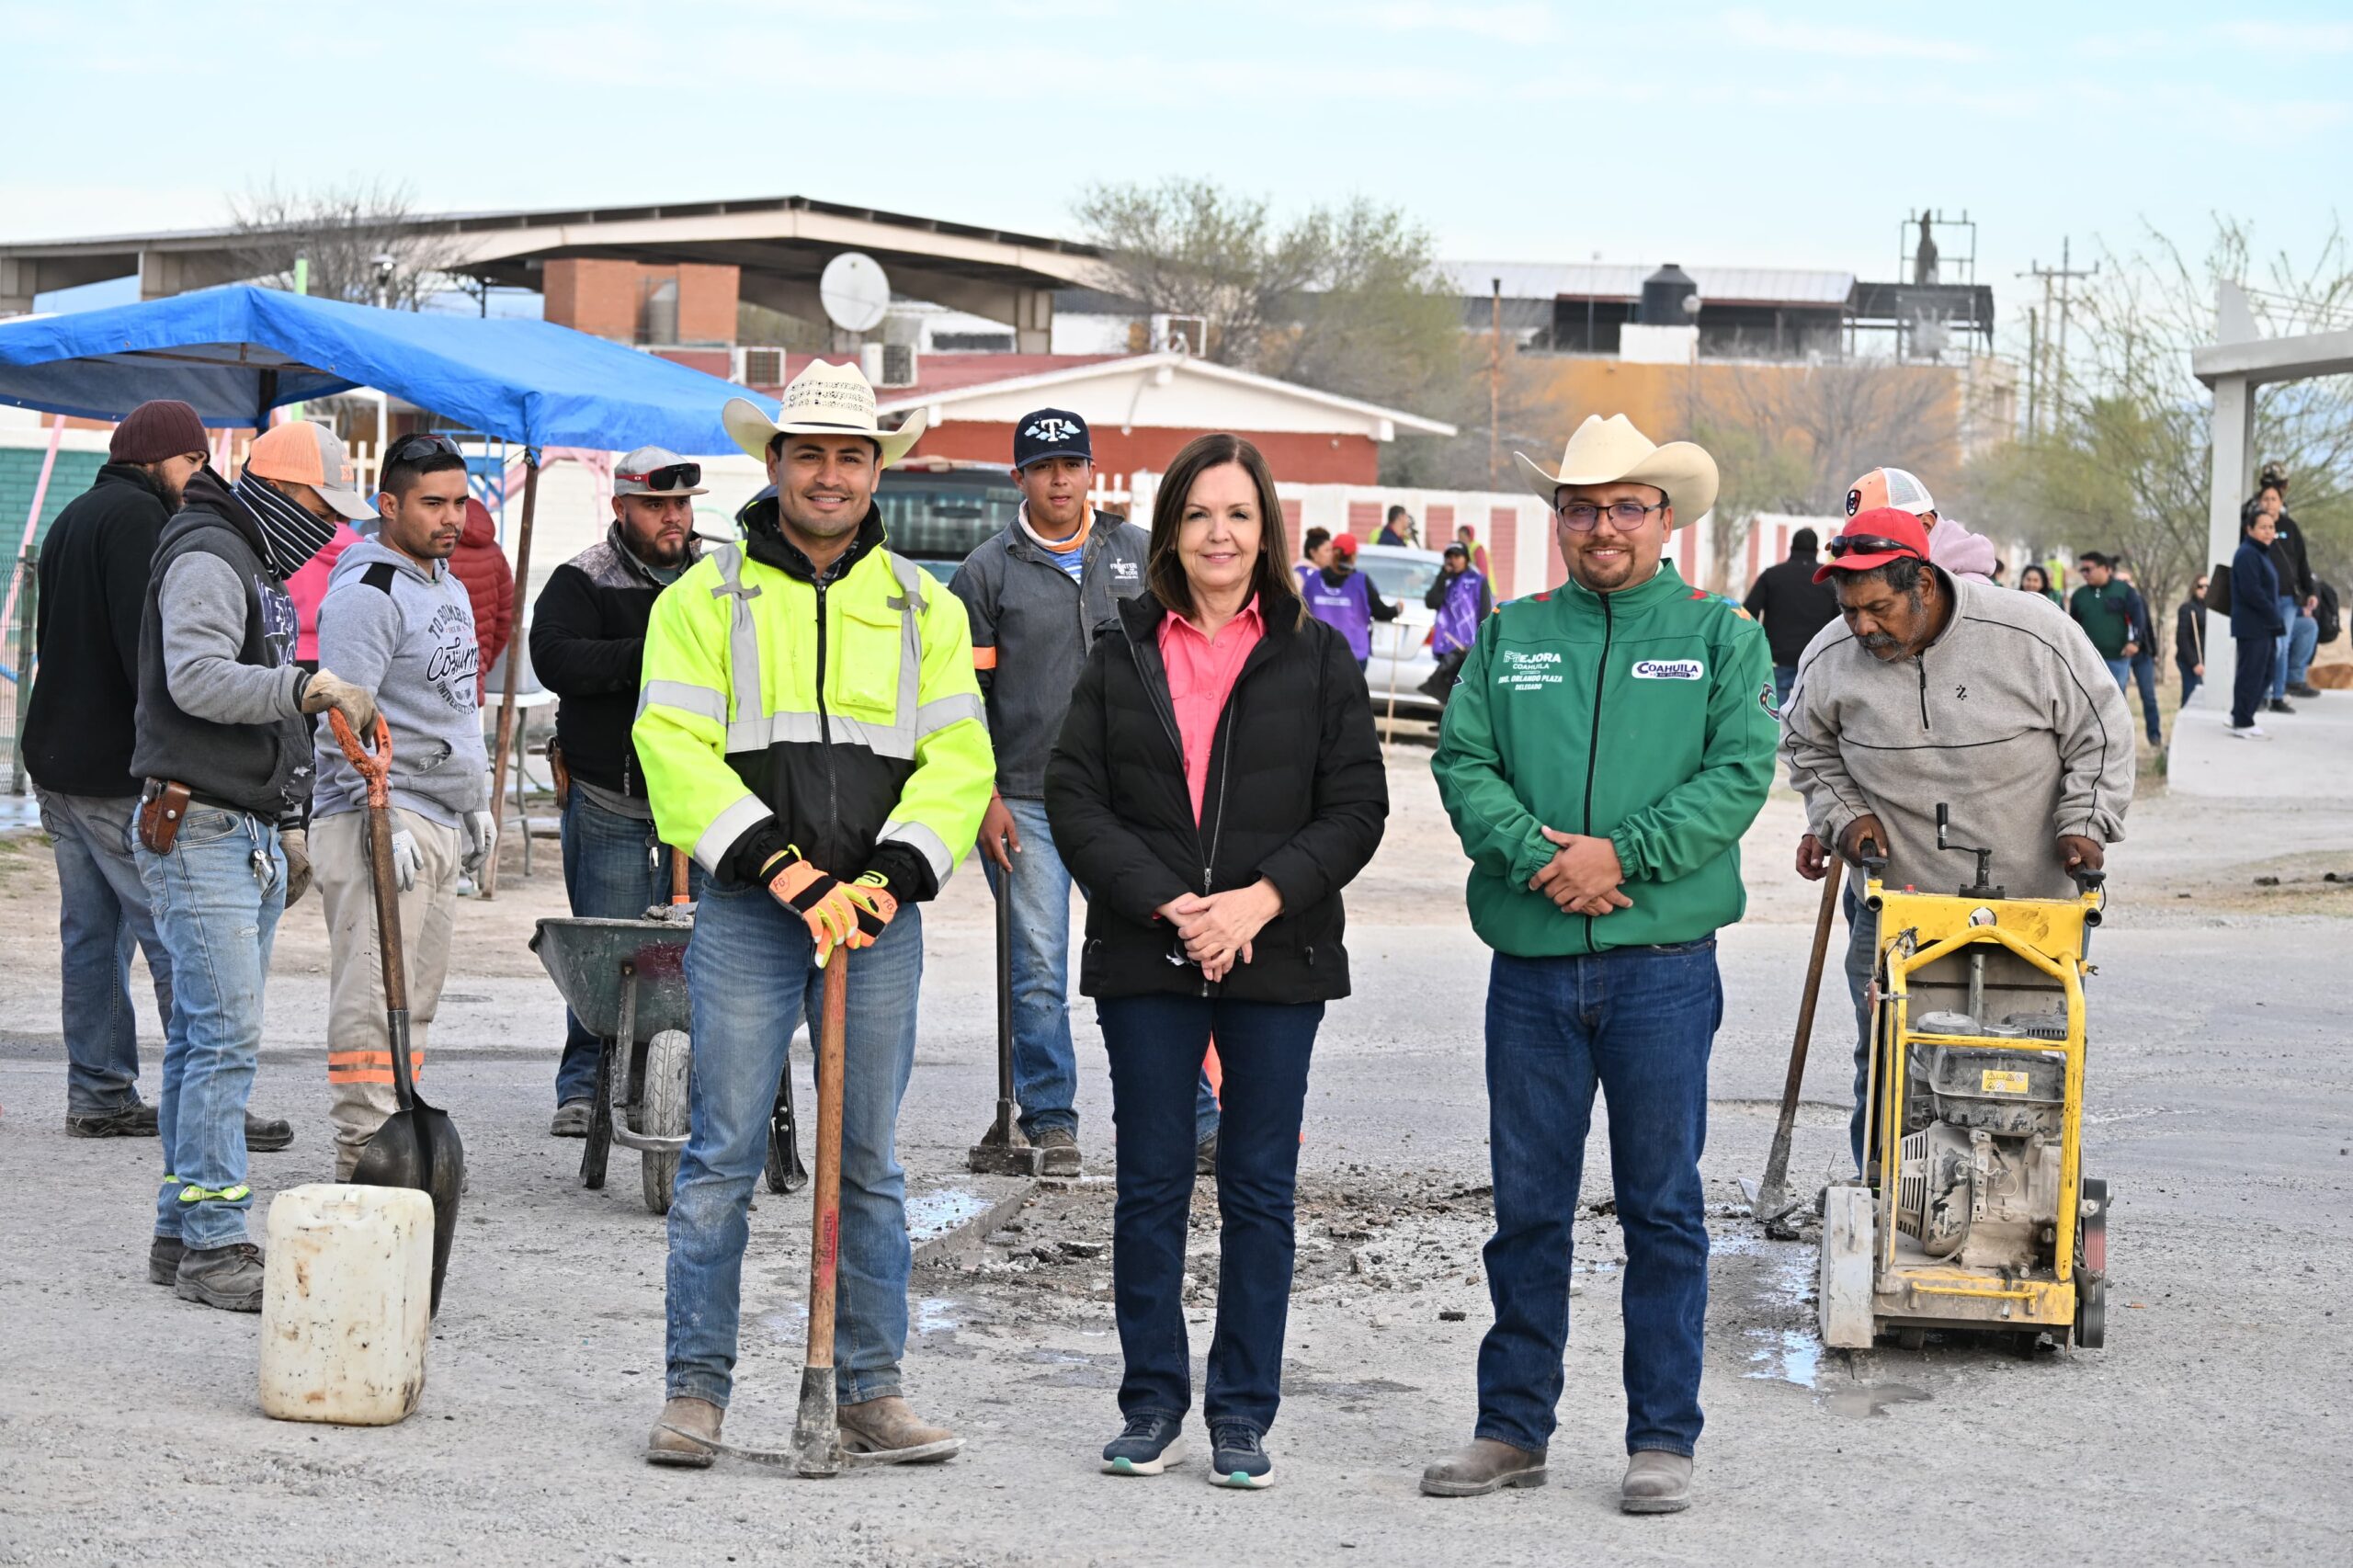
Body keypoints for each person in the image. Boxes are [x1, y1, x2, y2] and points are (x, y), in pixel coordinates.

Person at [635, 360, 992, 1468]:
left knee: (871, 1160)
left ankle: (869, 1390)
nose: (829, 474)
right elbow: (672, 748)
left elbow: (958, 761)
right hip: (752, 911)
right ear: (775, 463)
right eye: (809, 453)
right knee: (722, 1154)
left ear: (875, 468)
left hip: (875, 925)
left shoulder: (923, 605)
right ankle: (697, 1390)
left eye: (849, 455)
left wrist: (884, 878)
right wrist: (786, 870)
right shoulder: (705, 598)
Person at [1422, 414, 1776, 1514]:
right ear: (1558, 520)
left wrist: (1621, 854)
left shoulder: (1723, 636)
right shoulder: (1514, 632)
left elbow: (1739, 773)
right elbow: (1462, 759)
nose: (1603, 524)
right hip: (1529, 967)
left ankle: (1660, 1433)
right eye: (1582, 505)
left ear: (1665, 517)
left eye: (1627, 504)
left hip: (1661, 967)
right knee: (1527, 1204)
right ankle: (1511, 1426)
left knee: (1662, 1204)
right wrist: (1539, 858)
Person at [1044, 432, 1387, 1488]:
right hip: (1149, 951)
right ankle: (1151, 1402)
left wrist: (1256, 900)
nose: (1218, 533)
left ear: (1266, 528)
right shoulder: (1122, 650)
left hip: (1275, 954)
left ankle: (1242, 1413)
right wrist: (1168, 901)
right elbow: (1073, 795)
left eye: (1237, 513)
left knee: (1257, 1188)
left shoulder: (1315, 653)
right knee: (1147, 1183)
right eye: (1198, 515)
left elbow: (1356, 807)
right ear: (1170, 533)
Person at [1780, 507, 2133, 1176]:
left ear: (1926, 584)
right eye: (1851, 610)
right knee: (1889, 1060)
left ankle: (2028, 1220)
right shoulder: (1831, 655)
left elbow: (2103, 730)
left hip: (2033, 907)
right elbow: (1804, 744)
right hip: (1900, 906)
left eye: (1879, 608)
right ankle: (1886, 1205)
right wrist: (1843, 814)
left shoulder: (2033, 632)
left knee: (2027, 1062)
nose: (1862, 627)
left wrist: (2086, 819)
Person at [130, 420, 378, 1310]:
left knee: (204, 1038)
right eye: (323, 508)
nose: (331, 530)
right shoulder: (209, 554)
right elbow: (196, 677)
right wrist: (305, 685)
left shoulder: (248, 556)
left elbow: (246, 688)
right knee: (223, 1039)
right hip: (200, 825)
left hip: (234, 824)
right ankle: (212, 1241)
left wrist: (288, 816)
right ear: (281, 493)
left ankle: (180, 1226)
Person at [24, 402, 281, 1151]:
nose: (198, 478)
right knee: (181, 936)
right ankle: (209, 1109)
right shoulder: (144, 525)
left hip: (58, 760)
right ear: (164, 458)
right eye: (193, 463)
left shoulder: (75, 514)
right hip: (114, 769)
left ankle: (100, 1092)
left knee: (92, 938)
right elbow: (158, 661)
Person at [949, 406, 1181, 1179]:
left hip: (1132, 800)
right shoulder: (987, 571)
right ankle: (1050, 1123)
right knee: (1040, 968)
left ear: (1092, 471)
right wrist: (983, 796)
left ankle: (1195, 1118)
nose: (1059, 479)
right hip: (1027, 799)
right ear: (1019, 476)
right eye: (1043, 467)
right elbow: (963, 699)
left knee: (1159, 951)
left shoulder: (1141, 556)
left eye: (1072, 464)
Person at [310, 432, 494, 1179]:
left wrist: (473, 797)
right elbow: (337, 716)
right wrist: (372, 812)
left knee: (413, 993)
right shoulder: (368, 594)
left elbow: (450, 702)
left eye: (459, 501)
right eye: (432, 503)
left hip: (440, 816)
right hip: (382, 812)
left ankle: (399, 1122)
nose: (452, 517)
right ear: (388, 505)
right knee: (370, 988)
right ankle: (362, 1150)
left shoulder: (444, 583)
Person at [530, 447, 710, 1136]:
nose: (673, 518)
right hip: (610, 797)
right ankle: (584, 1087)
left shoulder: (715, 577)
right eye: (656, 506)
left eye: (681, 505)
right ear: (622, 508)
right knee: (607, 961)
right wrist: (656, 649)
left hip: (697, 803)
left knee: (695, 957)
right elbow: (556, 658)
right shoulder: (583, 578)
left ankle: (664, 1084)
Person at [1741, 526, 1839, 711]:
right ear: (1817, 551)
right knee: (1810, 725)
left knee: (1773, 721)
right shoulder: (1829, 581)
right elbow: (1841, 621)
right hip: (1815, 662)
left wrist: (1756, 650)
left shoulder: (1771, 576)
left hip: (1777, 661)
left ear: (1791, 548)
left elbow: (1748, 614)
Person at [2250, 484, 2320, 707]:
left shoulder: (2290, 527)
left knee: (2281, 645)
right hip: (2264, 600)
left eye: (2274, 499)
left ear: (2281, 503)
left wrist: (2310, 591)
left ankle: (2278, 695)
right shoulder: (2254, 529)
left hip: (2288, 599)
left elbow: (2301, 562)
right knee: (2270, 646)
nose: (2270, 503)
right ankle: (2262, 694)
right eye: (2266, 499)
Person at [1302, 533, 1400, 673]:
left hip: (1318, 653)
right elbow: (1380, 612)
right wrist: (1397, 609)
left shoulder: (1313, 580)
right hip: (1354, 655)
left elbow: (1302, 612)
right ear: (1353, 556)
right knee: (1349, 695)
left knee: (1320, 694)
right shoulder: (1361, 581)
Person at [449, 496, 515, 702]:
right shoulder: (495, 553)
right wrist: (484, 662)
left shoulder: (432, 551)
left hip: (428, 675)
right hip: (473, 672)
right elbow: (506, 617)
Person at [2228, 508, 2285, 739]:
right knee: (2251, 673)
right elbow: (2252, 592)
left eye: (2271, 527)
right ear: (2249, 529)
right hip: (2253, 625)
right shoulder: (2247, 554)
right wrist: (2274, 616)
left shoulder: (2261, 553)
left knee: (2266, 672)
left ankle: (2241, 715)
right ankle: (2242, 721)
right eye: (2263, 527)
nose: (2268, 531)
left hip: (2264, 625)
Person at [1420, 540, 1492, 706]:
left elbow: (1485, 612)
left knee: (1461, 690)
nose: (1453, 560)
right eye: (1449, 556)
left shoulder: (1477, 580)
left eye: (1457, 556)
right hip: (1447, 643)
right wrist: (1442, 577)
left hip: (1467, 645)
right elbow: (1431, 602)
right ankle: (1443, 724)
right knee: (1444, 690)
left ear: (1466, 558)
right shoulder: (1445, 580)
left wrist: (1481, 642)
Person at [2068, 552, 2138, 689]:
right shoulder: (2079, 595)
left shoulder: (2124, 590)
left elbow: (2137, 618)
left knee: (2116, 698)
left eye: (2088, 569)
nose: (2085, 574)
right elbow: (2073, 627)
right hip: (2088, 660)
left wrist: (2134, 642)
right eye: (2082, 570)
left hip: (2117, 657)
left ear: (2105, 569)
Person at [2113, 563, 2165, 745]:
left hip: (2142, 654)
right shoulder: (2112, 601)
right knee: (2119, 697)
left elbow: (2148, 627)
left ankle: (2154, 736)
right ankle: (2123, 740)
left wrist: (2154, 652)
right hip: (2120, 654)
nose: (2125, 585)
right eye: (2120, 582)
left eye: (2127, 581)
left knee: (2149, 696)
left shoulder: (2139, 600)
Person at [2177, 575, 2208, 705]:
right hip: (2192, 662)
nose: (2204, 589)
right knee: (2190, 698)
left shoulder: (2210, 608)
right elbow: (2182, 639)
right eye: (2201, 586)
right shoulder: (2187, 608)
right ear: (2194, 588)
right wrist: (2195, 663)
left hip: (2205, 662)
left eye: (2208, 586)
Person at [1293, 527, 1333, 592]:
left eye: (1332, 550)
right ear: (1313, 553)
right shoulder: (1299, 575)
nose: (1331, 554)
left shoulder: (1327, 574)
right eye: (1327, 550)